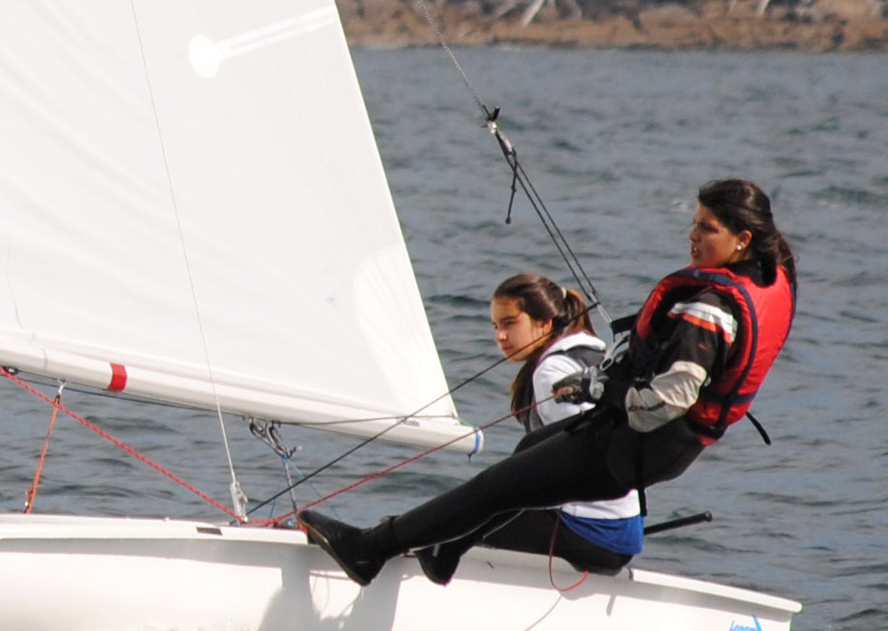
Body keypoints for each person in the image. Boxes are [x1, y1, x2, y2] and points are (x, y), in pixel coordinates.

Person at [300, 179, 797, 589]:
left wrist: (600, 391)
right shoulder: (766, 278)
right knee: (528, 453)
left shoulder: (710, 309)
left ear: (741, 239)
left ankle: (370, 550)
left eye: (706, 228)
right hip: (657, 446)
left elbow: (667, 401)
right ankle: (445, 549)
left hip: (636, 444)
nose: (692, 235)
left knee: (494, 487)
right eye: (694, 223)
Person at [404, 273, 646, 588]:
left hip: (592, 531)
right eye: (495, 326)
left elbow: (588, 457)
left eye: (509, 323)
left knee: (442, 525)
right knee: (464, 514)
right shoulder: (595, 352)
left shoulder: (552, 372)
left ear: (545, 323)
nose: (500, 336)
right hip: (622, 530)